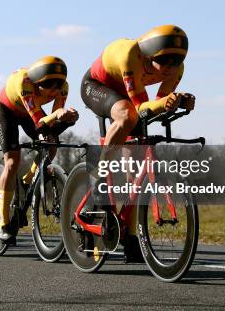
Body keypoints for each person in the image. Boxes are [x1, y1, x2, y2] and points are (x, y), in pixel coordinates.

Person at [80, 24, 196, 262]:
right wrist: (164, 104)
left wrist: (178, 101)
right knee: (126, 115)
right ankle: (99, 171)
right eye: (164, 61)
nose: (169, 68)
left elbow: (159, 103)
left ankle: (131, 236)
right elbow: (140, 107)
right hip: (97, 86)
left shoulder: (176, 68)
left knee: (134, 167)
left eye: (176, 61)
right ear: (148, 55)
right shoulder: (130, 54)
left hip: (127, 93)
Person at [0, 56, 79, 243]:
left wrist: (67, 119)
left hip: (30, 112)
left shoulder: (63, 87)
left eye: (58, 85)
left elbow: (53, 127)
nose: (54, 90)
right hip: (7, 110)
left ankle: (28, 180)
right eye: (49, 85)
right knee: (11, 162)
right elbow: (40, 123)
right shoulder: (24, 82)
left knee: (51, 144)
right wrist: (57, 115)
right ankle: (3, 222)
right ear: (37, 82)